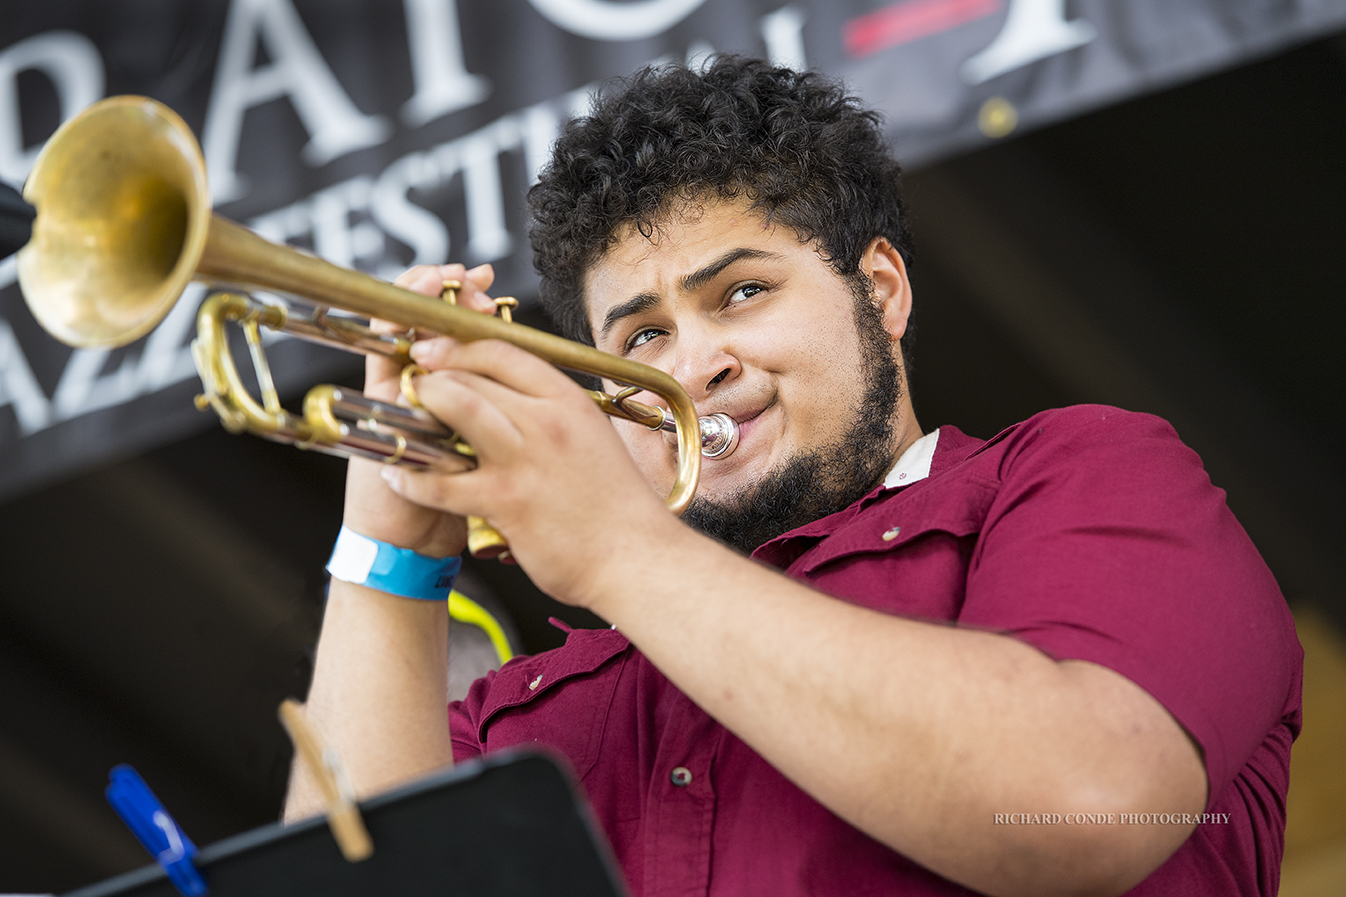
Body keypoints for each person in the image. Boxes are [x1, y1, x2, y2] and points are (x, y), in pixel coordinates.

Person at [286, 57, 1302, 897]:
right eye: (639, 335)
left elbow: (1082, 801)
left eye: (740, 291)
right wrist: (386, 551)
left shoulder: (1078, 471)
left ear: (881, 290)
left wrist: (613, 545)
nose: (691, 366)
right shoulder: (535, 712)